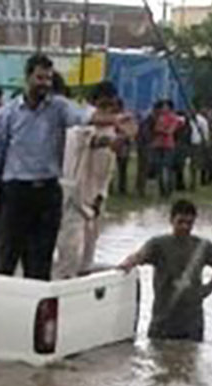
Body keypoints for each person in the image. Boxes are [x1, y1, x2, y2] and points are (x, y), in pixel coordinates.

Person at [0, 54, 116, 281]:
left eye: (49, 79)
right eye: (40, 78)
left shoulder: (59, 108)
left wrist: (115, 120)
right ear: (28, 77)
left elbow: (84, 116)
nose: (45, 84)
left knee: (40, 262)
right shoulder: (7, 114)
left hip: (47, 193)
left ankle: (36, 311)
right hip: (14, 193)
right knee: (4, 258)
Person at [117, 200, 212, 341]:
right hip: (163, 322)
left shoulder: (202, 247)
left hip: (192, 324)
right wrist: (128, 263)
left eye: (189, 223)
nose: (185, 227)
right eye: (180, 222)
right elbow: (140, 255)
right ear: (171, 220)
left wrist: (209, 287)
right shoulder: (159, 245)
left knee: (190, 358)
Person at [54, 83, 121, 280]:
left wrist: (102, 194)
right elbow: (85, 140)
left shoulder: (112, 127)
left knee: (90, 247)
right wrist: (108, 142)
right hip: (74, 194)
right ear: (96, 100)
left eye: (113, 101)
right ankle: (63, 283)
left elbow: (108, 167)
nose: (110, 105)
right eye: (105, 101)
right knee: (70, 246)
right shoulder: (83, 120)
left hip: (96, 197)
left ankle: (83, 279)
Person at [150, 100, 183, 199]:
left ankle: (168, 190)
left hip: (168, 145)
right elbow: (155, 129)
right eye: (162, 107)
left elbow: (170, 131)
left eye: (165, 107)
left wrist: (162, 130)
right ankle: (162, 191)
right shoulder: (159, 117)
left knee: (167, 168)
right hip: (158, 144)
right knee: (159, 167)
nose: (163, 109)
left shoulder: (173, 118)